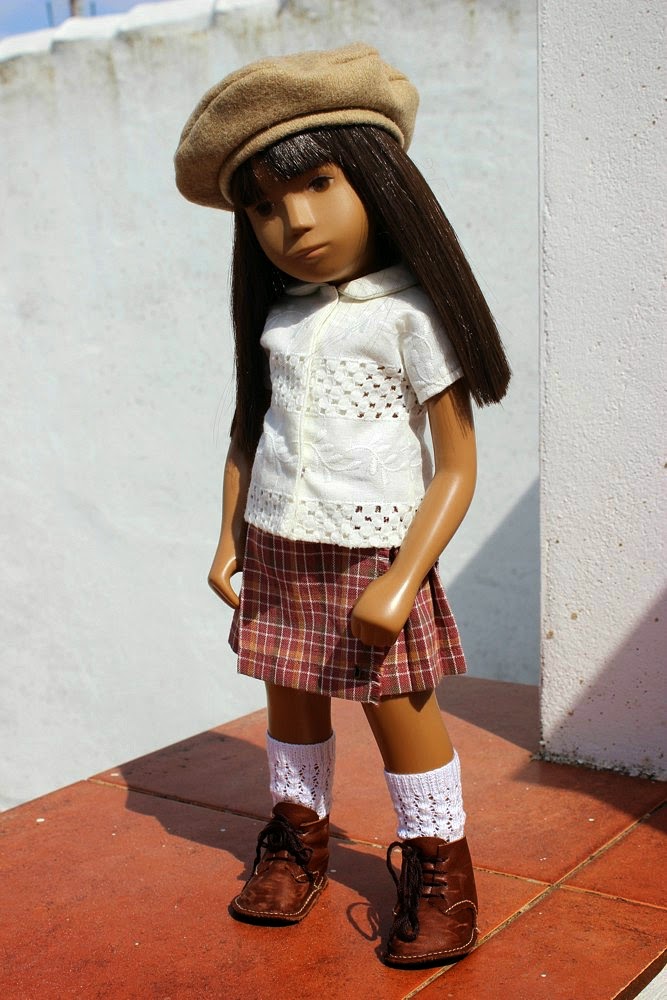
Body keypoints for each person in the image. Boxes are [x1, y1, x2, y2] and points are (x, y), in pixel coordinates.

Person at [174, 43, 510, 967]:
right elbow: (250, 433)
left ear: (377, 183)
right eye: (265, 206)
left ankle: (439, 866)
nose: (295, 221)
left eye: (318, 184)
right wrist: (227, 536)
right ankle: (298, 839)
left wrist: (404, 577)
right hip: (277, 547)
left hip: (373, 555)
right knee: (289, 702)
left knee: (400, 709)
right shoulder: (279, 318)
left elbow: (454, 467)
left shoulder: (409, 317)